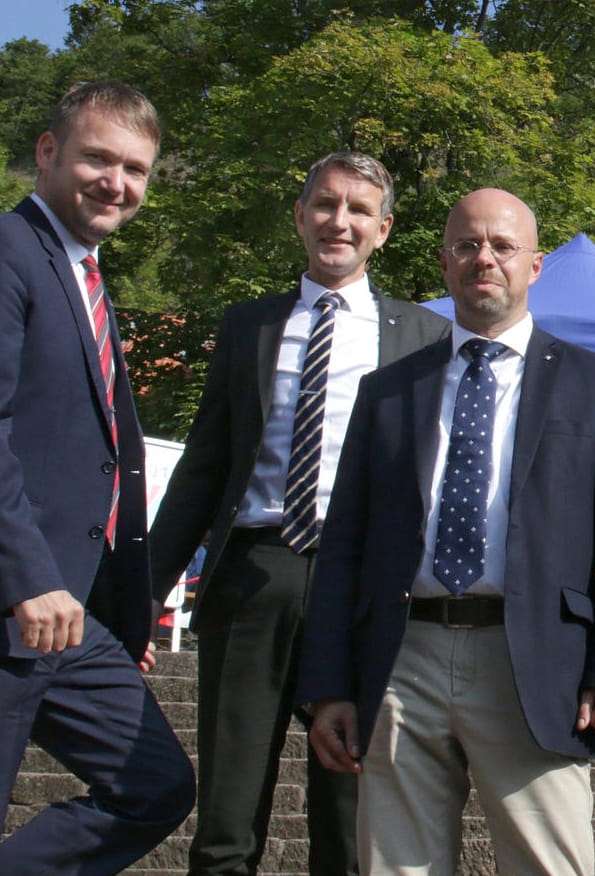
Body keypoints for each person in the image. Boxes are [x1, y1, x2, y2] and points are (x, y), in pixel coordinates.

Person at [295, 187, 595, 875]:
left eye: (501, 246)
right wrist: (330, 684)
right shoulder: (389, 390)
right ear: (443, 260)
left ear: (536, 264)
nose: (482, 259)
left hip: (534, 662)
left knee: (547, 865)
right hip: (403, 658)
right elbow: (345, 545)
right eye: (466, 245)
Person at [148, 151, 452, 874]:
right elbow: (203, 469)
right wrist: (142, 588)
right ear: (300, 215)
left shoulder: (423, 337)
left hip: (359, 593)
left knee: (347, 819)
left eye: (356, 210)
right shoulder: (250, 325)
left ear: (383, 229)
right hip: (254, 576)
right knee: (226, 817)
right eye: (324, 204)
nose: (337, 221)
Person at [0, 80, 195, 871]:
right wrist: (28, 578)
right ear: (48, 152)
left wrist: (119, 603)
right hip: (19, 596)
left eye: (136, 169)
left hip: (72, 616)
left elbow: (107, 454)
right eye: (98, 159)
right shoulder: (10, 255)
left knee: (154, 784)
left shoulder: (85, 276)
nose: (117, 182)